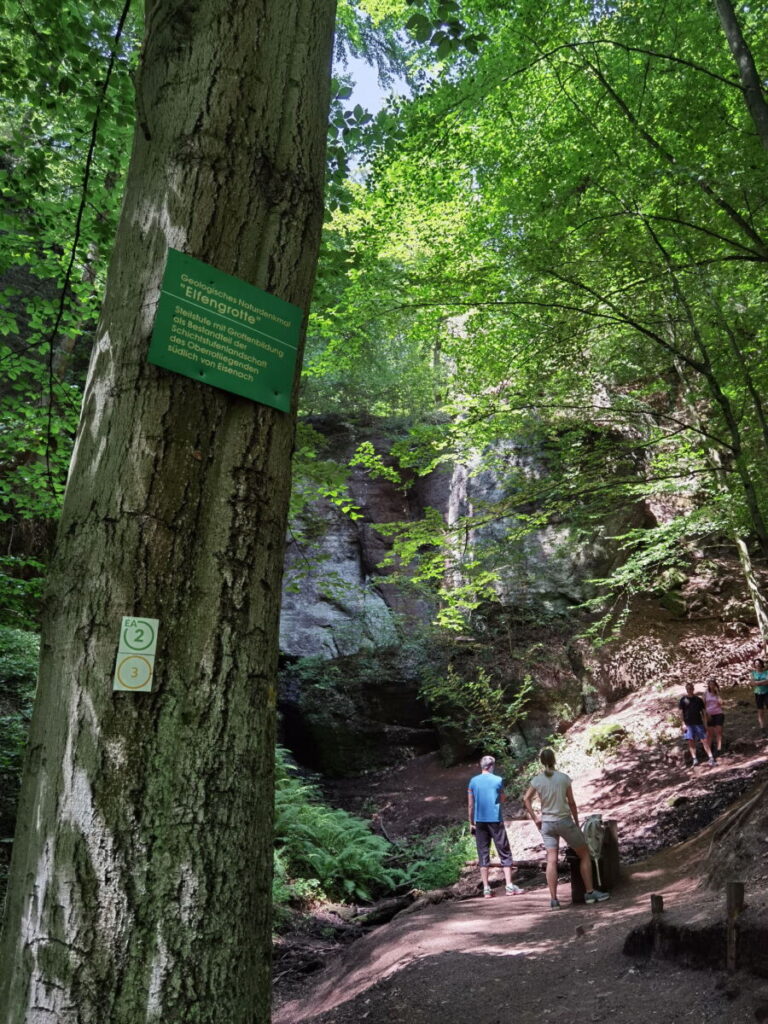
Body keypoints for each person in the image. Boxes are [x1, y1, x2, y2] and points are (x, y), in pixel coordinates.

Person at [522, 748, 610, 910]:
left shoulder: (537, 780)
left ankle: (554, 900)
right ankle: (590, 893)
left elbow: (526, 798)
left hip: (547, 824)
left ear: (541, 761)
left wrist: (536, 818)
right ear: (554, 760)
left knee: (551, 860)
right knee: (584, 854)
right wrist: (576, 822)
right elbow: (571, 803)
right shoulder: (563, 778)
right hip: (564, 821)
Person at [467, 755, 523, 898]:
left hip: (479, 822)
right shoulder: (498, 780)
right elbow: (503, 798)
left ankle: (486, 888)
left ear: (482, 766)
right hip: (495, 820)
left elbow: (471, 805)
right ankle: (509, 886)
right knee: (504, 850)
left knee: (483, 853)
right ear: (491, 766)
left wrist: (471, 822)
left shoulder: (473, 782)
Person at [679, 681, 715, 767]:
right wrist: (683, 724)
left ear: (693, 689)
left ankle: (711, 757)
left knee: (704, 740)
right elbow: (681, 713)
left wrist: (705, 724)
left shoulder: (698, 700)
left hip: (698, 723)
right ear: (686, 690)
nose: (690, 690)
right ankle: (694, 759)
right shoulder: (683, 700)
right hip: (688, 724)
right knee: (691, 742)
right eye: (688, 689)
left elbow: (703, 712)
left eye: (691, 688)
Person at [704, 679, 725, 757]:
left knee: (719, 732)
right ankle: (709, 752)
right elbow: (704, 705)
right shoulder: (706, 694)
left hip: (718, 713)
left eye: (713, 684)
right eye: (710, 684)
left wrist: (717, 693)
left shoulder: (718, 694)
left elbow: (722, 703)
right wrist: (706, 715)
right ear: (708, 685)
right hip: (709, 714)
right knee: (710, 734)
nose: (712, 686)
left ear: (716, 685)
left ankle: (719, 749)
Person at [751, 657, 768, 734]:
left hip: (767, 692)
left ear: (761, 664)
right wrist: (762, 682)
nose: (757, 665)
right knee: (760, 710)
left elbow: (767, 682)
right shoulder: (753, 673)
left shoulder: (766, 672)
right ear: (754, 665)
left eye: (759, 663)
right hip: (758, 693)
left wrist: (758, 683)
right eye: (756, 663)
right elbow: (752, 683)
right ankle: (762, 728)